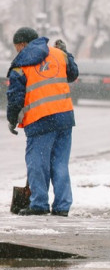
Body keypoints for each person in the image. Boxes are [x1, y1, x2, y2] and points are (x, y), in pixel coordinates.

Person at [6, 27, 79, 217]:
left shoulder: (20, 63)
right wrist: (66, 53)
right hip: (64, 117)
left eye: (17, 48)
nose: (17, 51)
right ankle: (62, 206)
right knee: (60, 164)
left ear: (22, 45)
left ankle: (39, 203)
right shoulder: (58, 54)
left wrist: (12, 119)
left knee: (37, 163)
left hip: (40, 120)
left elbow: (15, 96)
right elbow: (73, 74)